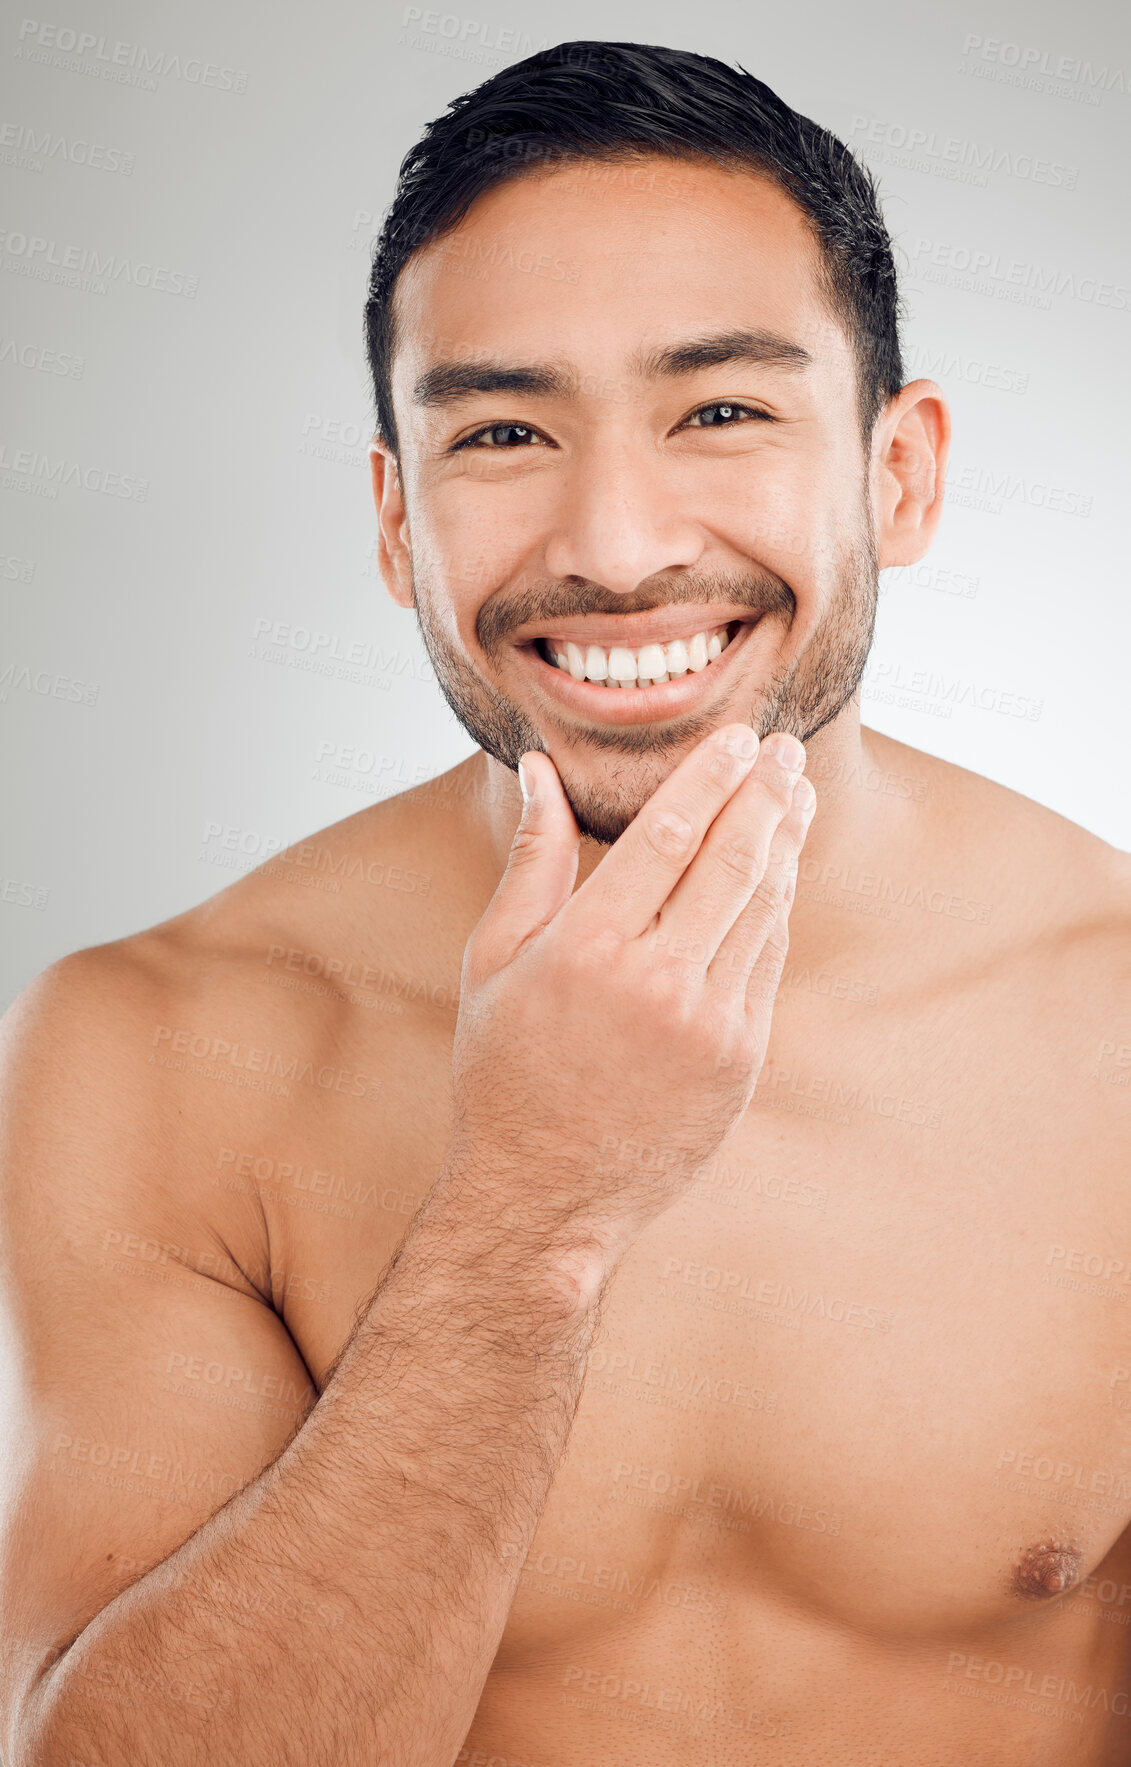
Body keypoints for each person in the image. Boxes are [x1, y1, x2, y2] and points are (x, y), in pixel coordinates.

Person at [1, 38, 1127, 1767]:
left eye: (723, 410)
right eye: (507, 429)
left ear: (899, 476)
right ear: (397, 520)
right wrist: (533, 1210)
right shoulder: (160, 1045)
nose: (612, 540)